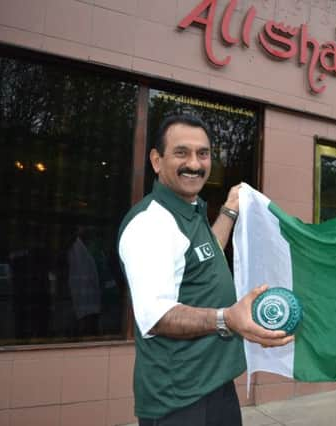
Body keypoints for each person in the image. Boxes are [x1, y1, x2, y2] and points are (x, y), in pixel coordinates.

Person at [118, 114, 292, 426]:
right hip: (180, 401)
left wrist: (229, 209)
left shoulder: (190, 210)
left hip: (214, 385)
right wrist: (228, 318)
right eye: (181, 153)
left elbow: (205, 252)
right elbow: (156, 316)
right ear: (157, 161)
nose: (195, 164)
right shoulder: (151, 224)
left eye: (203, 154)